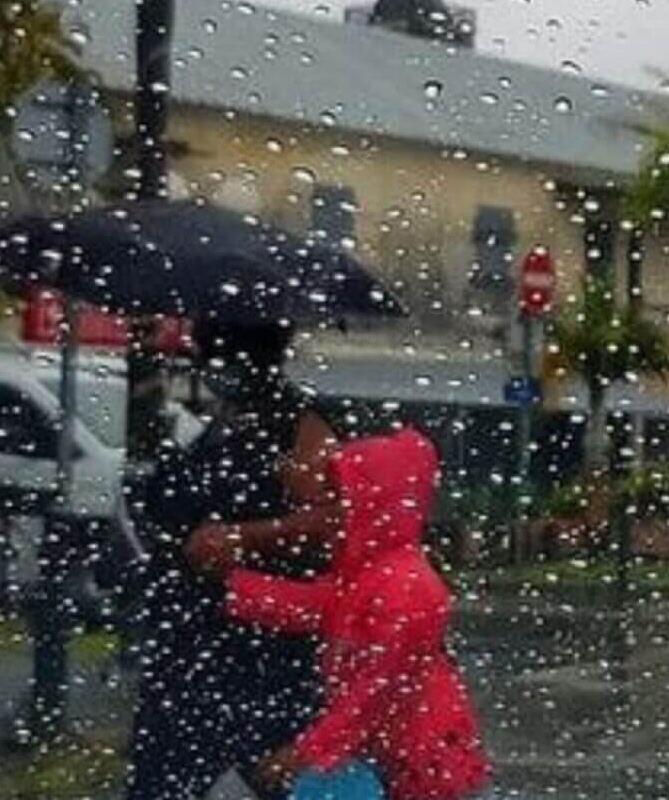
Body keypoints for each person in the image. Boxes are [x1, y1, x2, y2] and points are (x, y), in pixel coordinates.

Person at [123, 318, 341, 800]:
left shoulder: (295, 423)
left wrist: (244, 538)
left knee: (264, 775)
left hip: (261, 649)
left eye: (211, 346)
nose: (202, 357)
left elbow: (331, 522)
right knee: (164, 780)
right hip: (188, 643)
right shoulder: (210, 416)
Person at [223, 426, 489, 800]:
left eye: (341, 499)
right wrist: (232, 587)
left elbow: (375, 688)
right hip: (393, 752)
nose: (328, 514)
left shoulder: (407, 586)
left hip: (421, 760)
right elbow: (309, 604)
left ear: (376, 504)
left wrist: (306, 752)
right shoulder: (368, 576)